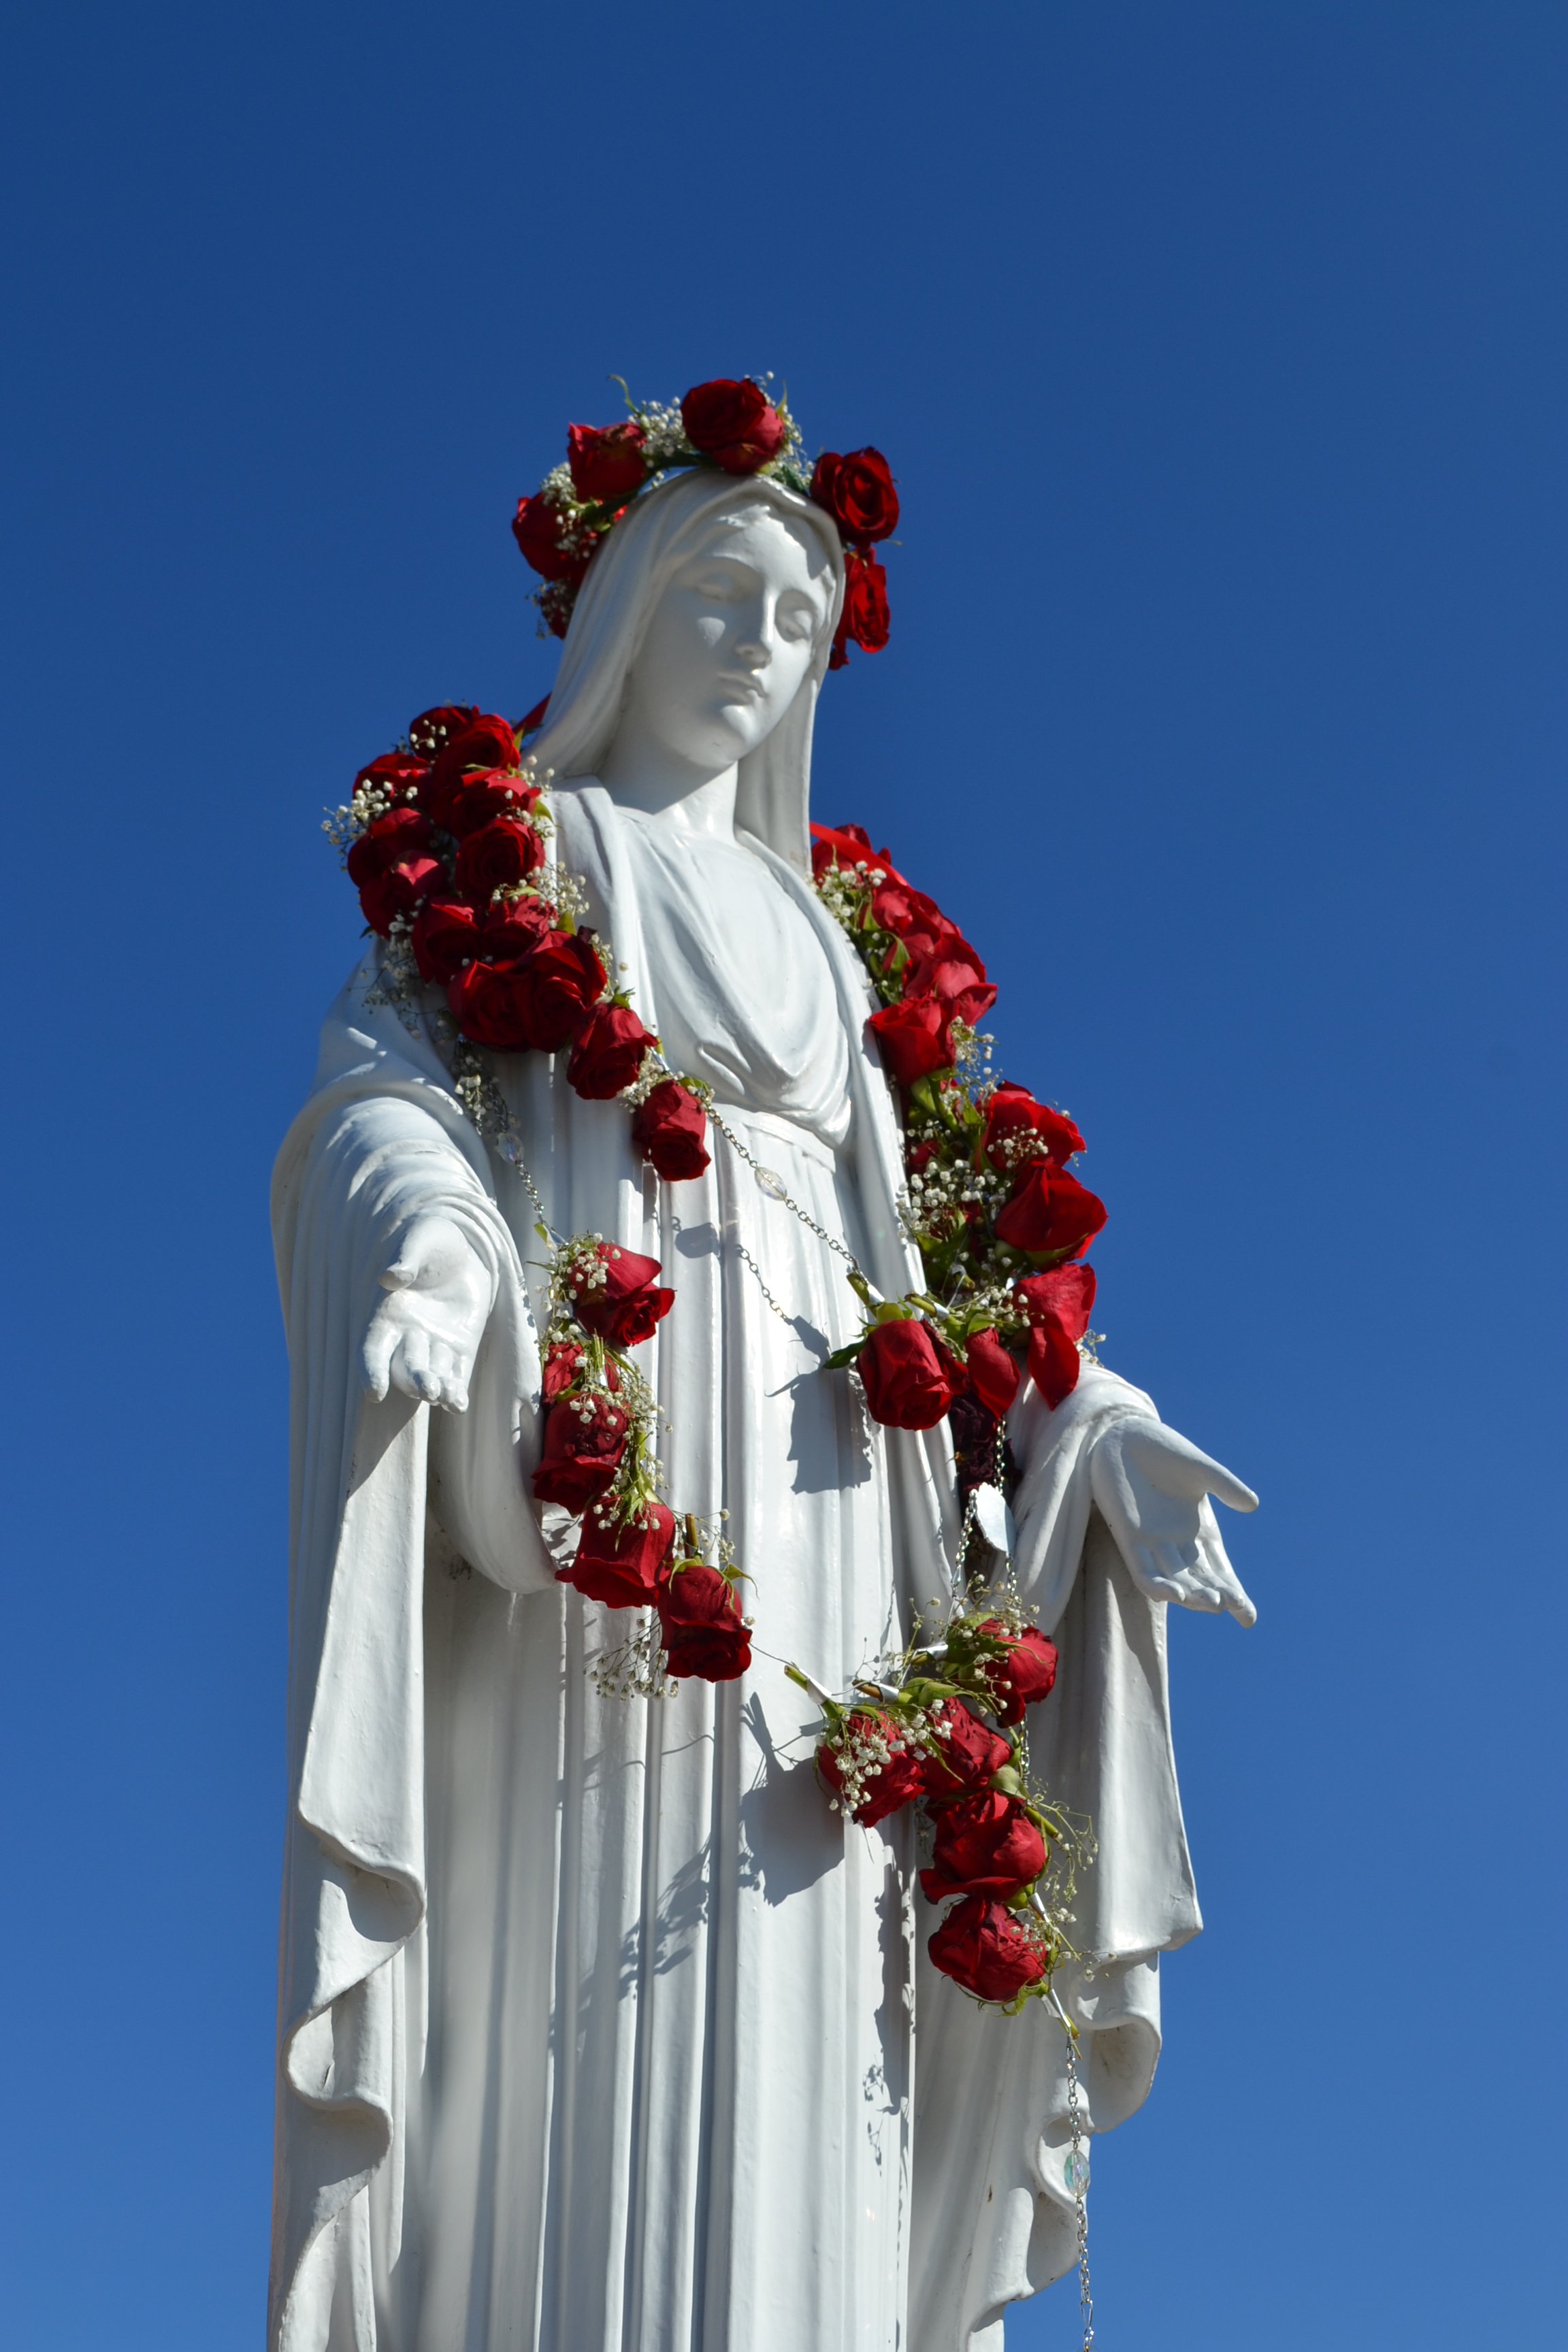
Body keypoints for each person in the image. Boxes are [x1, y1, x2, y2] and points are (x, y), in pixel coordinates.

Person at [269, 463, 1258, 2352]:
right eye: (724, 598)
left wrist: (1089, 1422)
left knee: (813, 1963)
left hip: (832, 1518)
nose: (762, 648)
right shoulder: (534, 857)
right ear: (631, 606)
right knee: (592, 1952)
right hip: (599, 1489)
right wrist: (437, 1261)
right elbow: (377, 1099)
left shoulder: (824, 944)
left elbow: (936, 1288)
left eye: (798, 623)